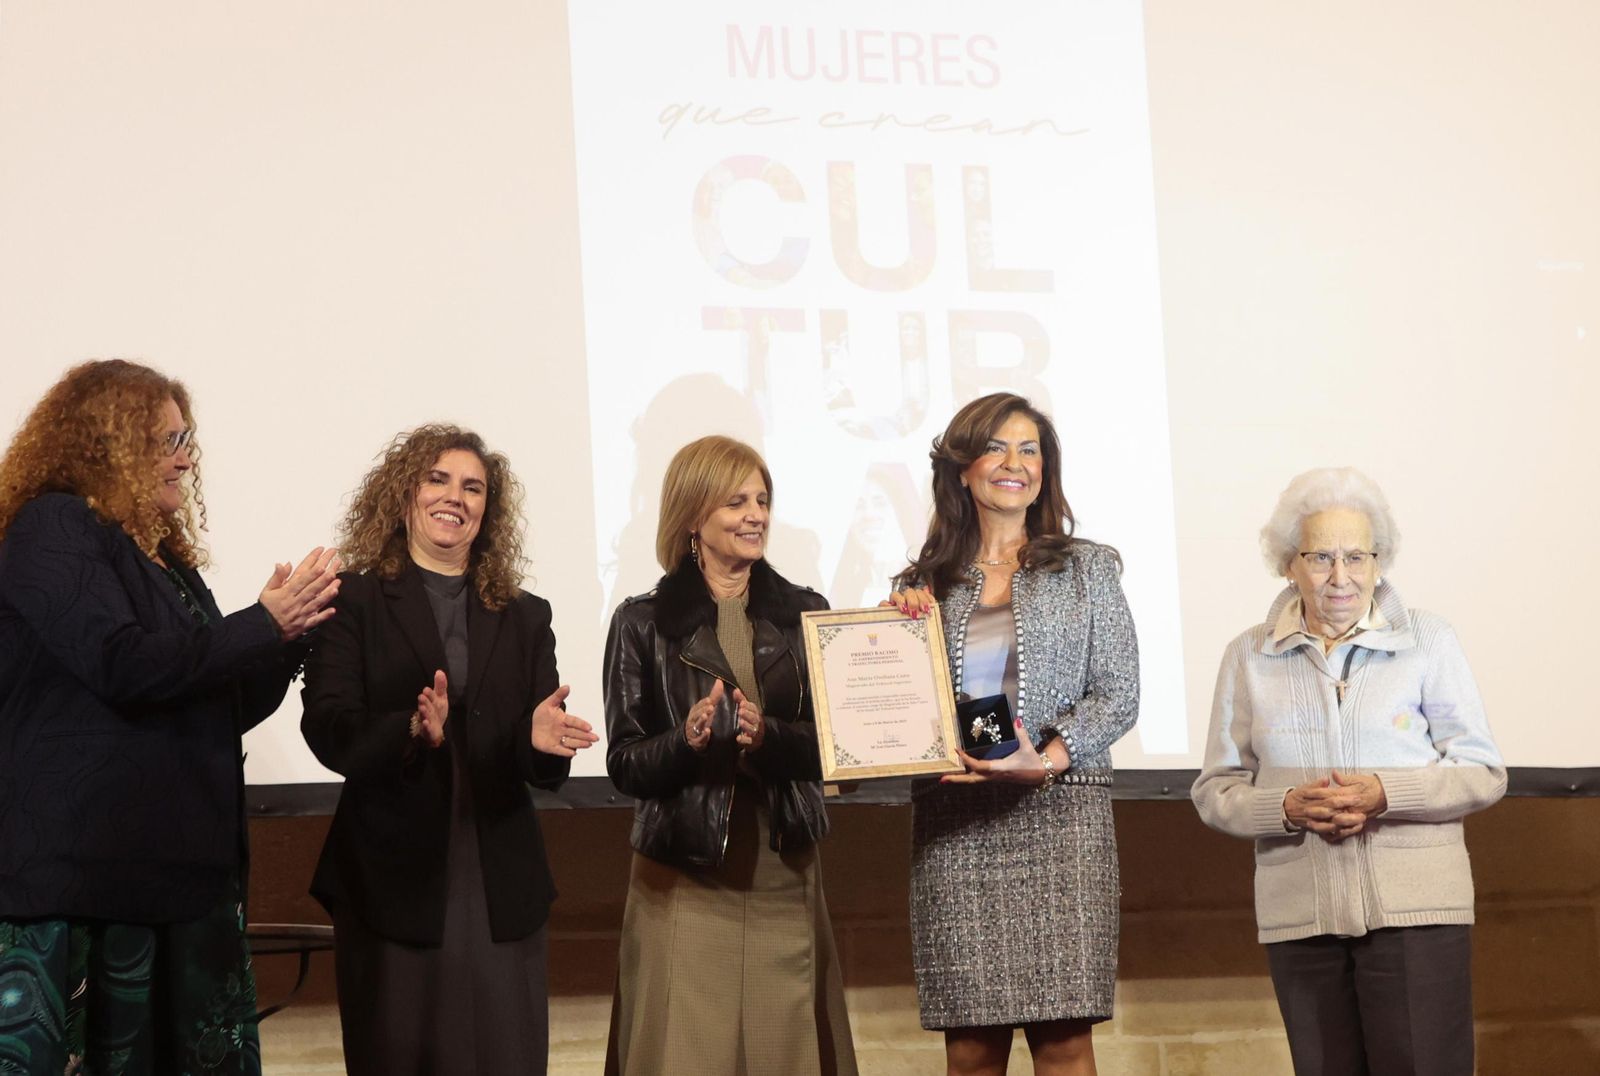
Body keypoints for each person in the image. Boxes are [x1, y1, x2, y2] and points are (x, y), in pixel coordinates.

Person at [0, 358, 340, 1074]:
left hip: (172, 886)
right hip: (85, 888)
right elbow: (120, 663)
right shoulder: (54, 526)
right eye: (168, 439)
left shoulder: (169, 566)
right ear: (106, 443)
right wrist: (257, 625)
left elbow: (224, 706)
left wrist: (285, 636)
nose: (186, 458)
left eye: (187, 439)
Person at [300, 424, 597, 1076]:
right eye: (437, 479)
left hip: (496, 874)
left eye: (472, 487)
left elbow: (539, 758)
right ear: (404, 492)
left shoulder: (525, 614)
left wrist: (540, 742)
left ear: (489, 509)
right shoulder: (354, 600)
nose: (454, 497)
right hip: (389, 879)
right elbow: (327, 727)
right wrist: (410, 730)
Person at [1191, 467, 1505, 1075]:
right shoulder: (1247, 654)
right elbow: (1215, 789)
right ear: (1289, 564)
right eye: (1320, 557)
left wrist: (1387, 792)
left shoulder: (1429, 641)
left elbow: (1483, 771)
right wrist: (1283, 808)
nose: (1341, 577)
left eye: (1357, 556)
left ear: (1379, 560)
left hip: (1418, 916)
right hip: (1300, 916)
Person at [887, 392, 1139, 1076]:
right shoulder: (922, 586)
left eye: (1029, 450)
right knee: (970, 1049)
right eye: (997, 447)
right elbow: (901, 705)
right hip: (955, 826)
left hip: (1062, 821)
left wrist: (1048, 760)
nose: (1014, 463)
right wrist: (896, 633)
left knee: (1064, 1045)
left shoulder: (1087, 569)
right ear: (963, 469)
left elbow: (1120, 695)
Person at [602, 435, 857, 1076]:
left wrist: (765, 735)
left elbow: (836, 748)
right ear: (694, 516)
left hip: (783, 868)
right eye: (736, 501)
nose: (756, 515)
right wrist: (687, 741)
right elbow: (627, 763)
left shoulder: (806, 615)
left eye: (762, 500)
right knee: (683, 1051)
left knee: (787, 1051)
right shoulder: (641, 623)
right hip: (683, 877)